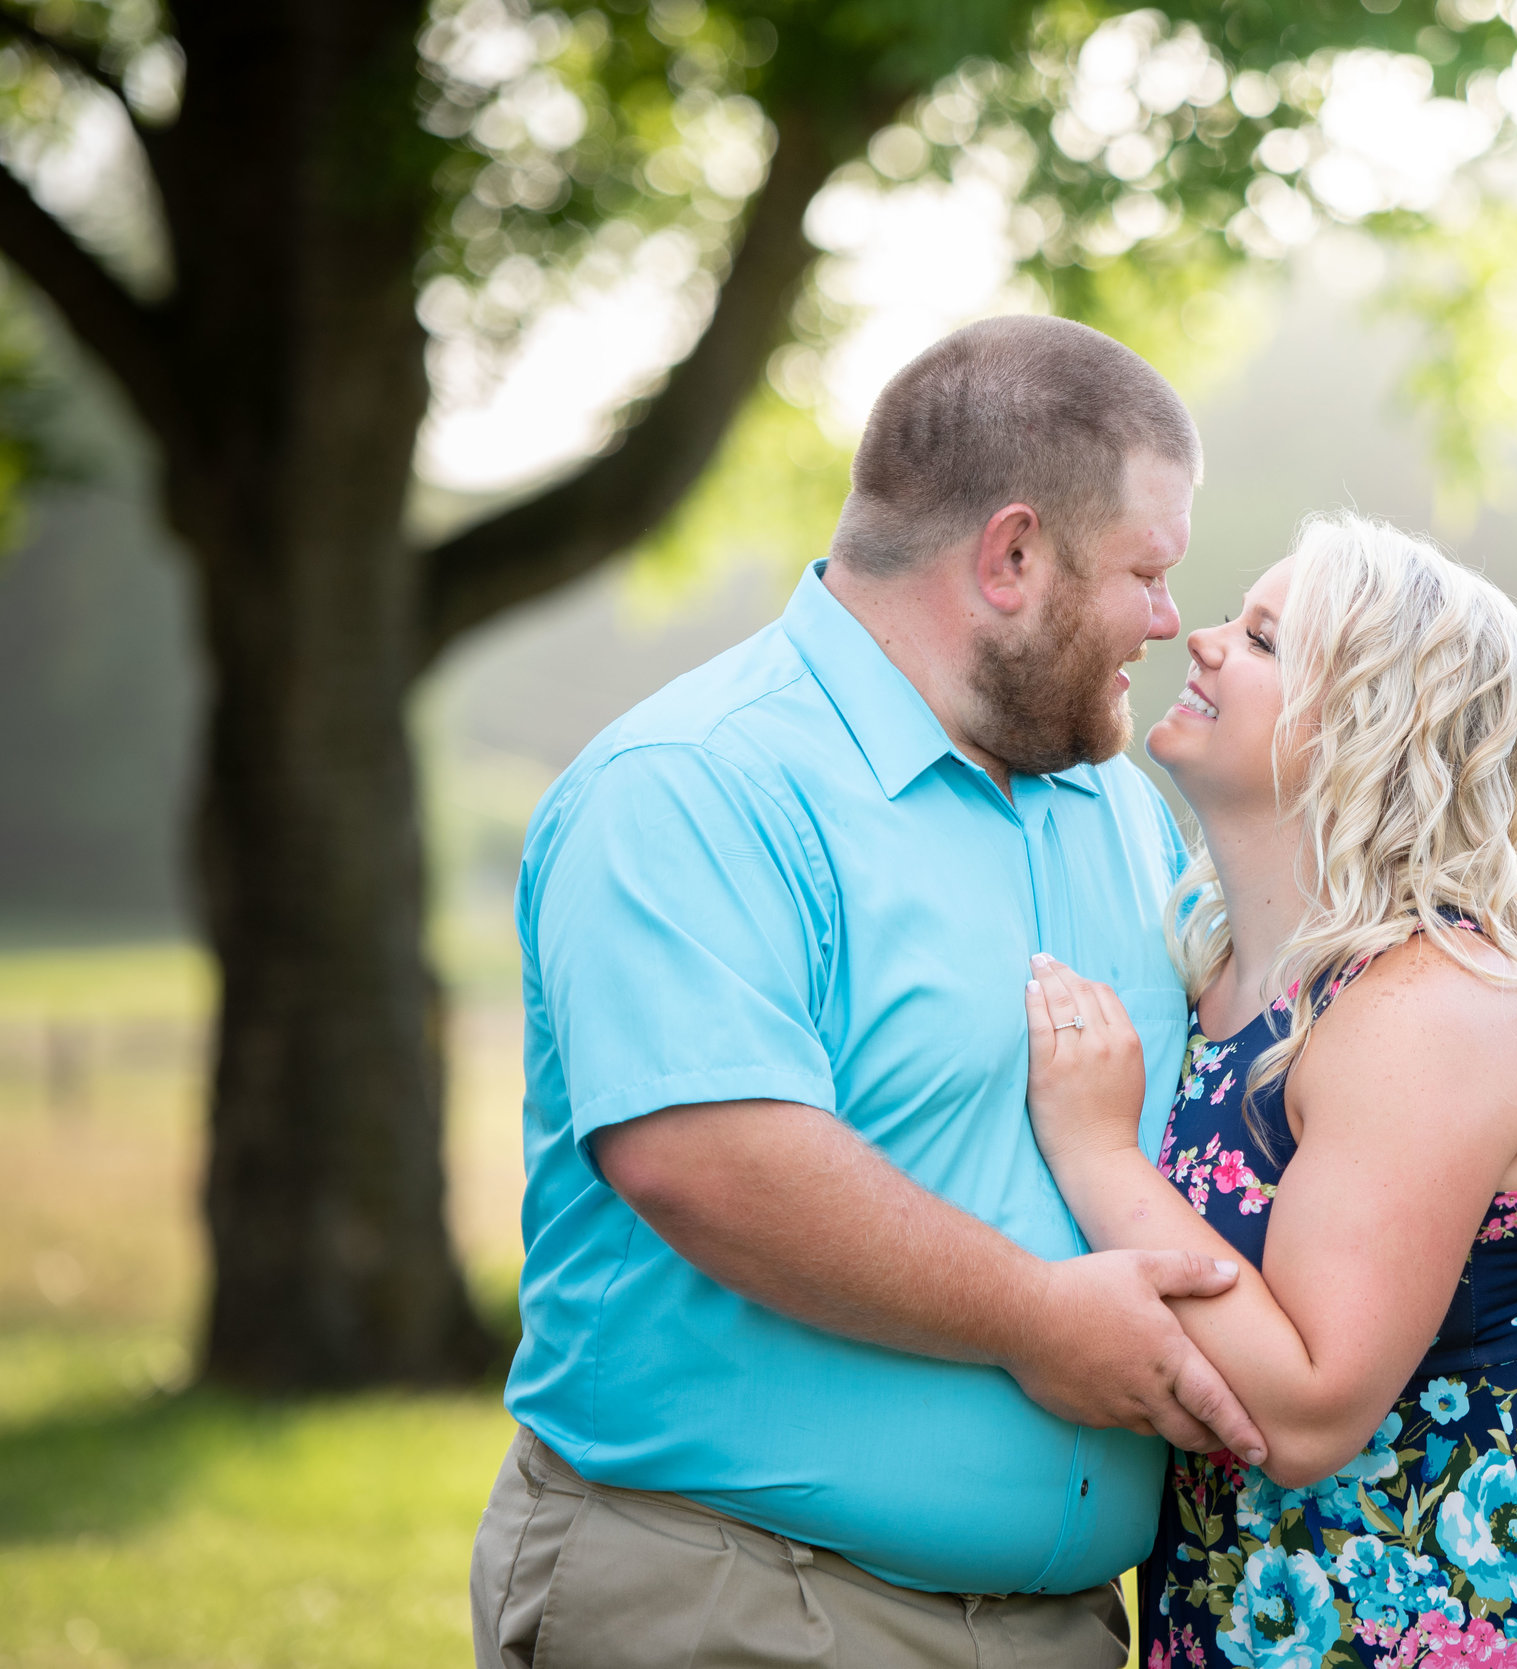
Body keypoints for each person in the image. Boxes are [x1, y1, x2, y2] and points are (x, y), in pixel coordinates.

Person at [468, 315, 1269, 1669]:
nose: (1166, 619)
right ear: (1013, 556)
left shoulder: (1114, 809)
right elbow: (707, 1161)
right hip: (740, 1606)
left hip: (1068, 1628)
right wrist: (1036, 1317)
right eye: (1146, 570)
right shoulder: (693, 784)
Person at [1023, 513, 1517, 1666]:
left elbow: (1306, 1407)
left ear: (1367, 728)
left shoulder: (1427, 1003)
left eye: (1260, 639)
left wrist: (1098, 1153)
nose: (1199, 641)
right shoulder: (1215, 977)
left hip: (1468, 1609)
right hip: (1279, 1602)